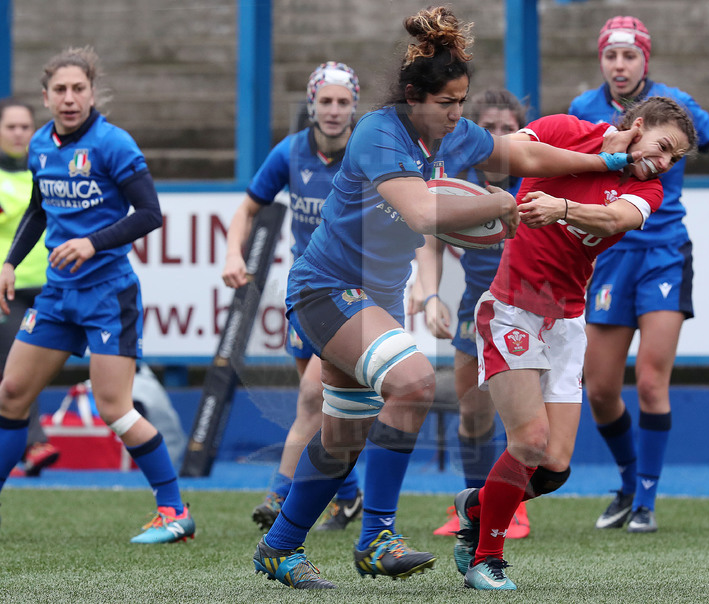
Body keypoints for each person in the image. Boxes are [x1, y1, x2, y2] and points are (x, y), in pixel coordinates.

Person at [250, 5, 638, 589]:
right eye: (447, 103)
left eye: (462, 101)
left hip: (371, 297)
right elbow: (424, 210)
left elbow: (524, 155)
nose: (458, 114)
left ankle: (280, 547)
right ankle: (378, 535)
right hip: (326, 288)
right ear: (413, 97)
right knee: (413, 384)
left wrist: (606, 159)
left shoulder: (453, 133)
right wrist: (503, 204)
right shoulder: (380, 132)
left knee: (341, 438)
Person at [452, 96, 698, 590]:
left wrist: (561, 206)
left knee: (555, 466)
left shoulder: (648, 188)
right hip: (512, 307)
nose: (666, 163)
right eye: (665, 147)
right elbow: (507, 156)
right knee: (529, 441)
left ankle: (475, 505)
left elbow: (613, 221)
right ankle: (486, 557)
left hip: (565, 321)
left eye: (676, 158)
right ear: (641, 125)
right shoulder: (565, 128)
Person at [570, 16, 709, 533]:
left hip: (663, 252)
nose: (619, 65)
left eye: (629, 56)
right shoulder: (584, 111)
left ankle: (647, 502)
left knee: (653, 383)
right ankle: (630, 480)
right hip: (609, 255)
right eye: (611, 56)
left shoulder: (676, 108)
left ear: (645, 60)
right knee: (599, 389)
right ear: (601, 60)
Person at [0, 46, 194, 543]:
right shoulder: (42, 144)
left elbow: (150, 213)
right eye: (60, 90)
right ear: (46, 97)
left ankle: (174, 511)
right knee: (12, 394)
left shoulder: (113, 144)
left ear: (92, 93)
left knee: (115, 408)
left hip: (108, 294)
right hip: (57, 296)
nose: (69, 98)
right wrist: (9, 262)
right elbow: (40, 211)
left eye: (78, 89)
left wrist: (91, 242)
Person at [223, 61, 364, 532]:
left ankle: (279, 495)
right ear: (311, 103)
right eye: (326, 100)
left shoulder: (366, 153)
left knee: (312, 399)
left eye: (343, 102)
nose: (333, 110)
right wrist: (231, 254)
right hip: (307, 291)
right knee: (328, 406)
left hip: (353, 295)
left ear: (354, 107)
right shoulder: (290, 153)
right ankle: (350, 498)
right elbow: (248, 208)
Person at [408, 89, 530, 538]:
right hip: (476, 306)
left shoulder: (538, 183)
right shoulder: (457, 183)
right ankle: (473, 506)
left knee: (523, 418)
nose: (500, 136)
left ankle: (513, 507)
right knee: (473, 411)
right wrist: (428, 294)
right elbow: (431, 241)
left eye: (509, 128)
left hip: (533, 308)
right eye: (491, 128)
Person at [0, 98, 61, 479]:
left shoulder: (45, 169)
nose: (20, 133)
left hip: (51, 285)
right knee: (16, 370)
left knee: (22, 371)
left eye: (26, 126)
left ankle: (28, 444)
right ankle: (34, 442)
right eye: (11, 127)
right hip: (9, 289)